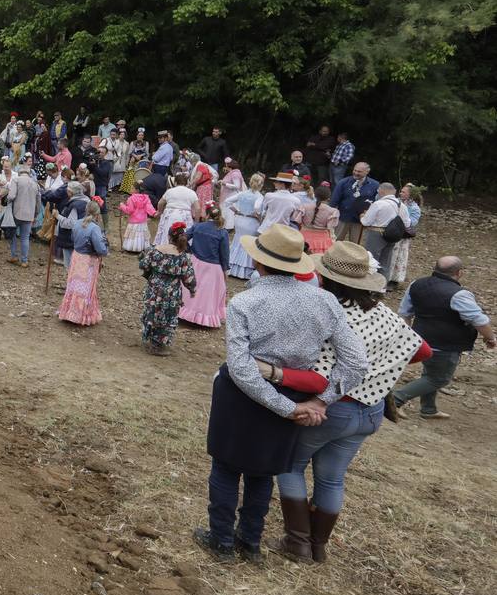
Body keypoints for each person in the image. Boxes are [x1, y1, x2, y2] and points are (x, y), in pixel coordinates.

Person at [192, 224, 368, 562]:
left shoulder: (245, 302)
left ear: (258, 263)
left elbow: (242, 368)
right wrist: (317, 401)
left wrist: (289, 408)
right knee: (264, 470)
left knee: (226, 468)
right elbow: (356, 362)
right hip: (292, 390)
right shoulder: (325, 302)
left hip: (243, 396)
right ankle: (250, 542)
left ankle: (221, 540)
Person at [264, 242, 428, 564]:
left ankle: (297, 542)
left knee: (289, 465)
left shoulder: (329, 315)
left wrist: (274, 373)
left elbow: (319, 379)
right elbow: (422, 352)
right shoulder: (383, 314)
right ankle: (319, 546)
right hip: (370, 411)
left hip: (331, 408)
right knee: (332, 477)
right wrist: (380, 368)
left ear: (325, 279)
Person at [392, 256, 495, 420]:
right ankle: (396, 398)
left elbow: (405, 313)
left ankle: (428, 409)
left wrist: (407, 336)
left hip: (421, 341)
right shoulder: (459, 295)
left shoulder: (416, 284)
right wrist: (490, 338)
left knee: (431, 373)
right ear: (459, 273)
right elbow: (479, 320)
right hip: (446, 345)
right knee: (438, 379)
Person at [138, 223, 198, 355]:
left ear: (169, 236)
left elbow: (143, 264)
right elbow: (188, 278)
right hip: (172, 291)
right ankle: (158, 345)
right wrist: (192, 290)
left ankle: (150, 338)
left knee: (152, 311)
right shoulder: (183, 256)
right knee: (167, 315)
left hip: (154, 288)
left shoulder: (156, 250)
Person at [57, 201, 108, 325]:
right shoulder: (95, 228)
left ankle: (69, 311)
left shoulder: (77, 223)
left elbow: (73, 239)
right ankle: (81, 315)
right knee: (85, 286)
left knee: (74, 284)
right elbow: (101, 249)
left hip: (76, 256)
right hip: (88, 259)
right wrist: (105, 249)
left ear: (86, 210)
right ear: (97, 214)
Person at [179, 206, 230, 327]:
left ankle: (185, 311)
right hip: (213, 266)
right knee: (208, 292)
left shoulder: (198, 226)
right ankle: (203, 318)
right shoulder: (222, 232)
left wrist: (189, 250)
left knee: (190, 287)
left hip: (195, 261)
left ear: (207, 215)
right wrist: (225, 270)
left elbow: (182, 238)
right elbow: (225, 254)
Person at [359, 182, 402, 274]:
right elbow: (407, 222)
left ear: (382, 191)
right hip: (392, 234)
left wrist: (362, 216)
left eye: (378, 191)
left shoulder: (379, 204)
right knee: (385, 262)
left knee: (371, 260)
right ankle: (382, 286)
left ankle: (369, 284)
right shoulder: (400, 204)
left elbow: (365, 222)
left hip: (376, 233)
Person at [227, 174, 265, 279]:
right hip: (251, 222)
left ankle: (231, 267)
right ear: (261, 184)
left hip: (240, 220)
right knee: (248, 243)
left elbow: (227, 201)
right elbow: (257, 208)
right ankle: (244, 270)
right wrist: (259, 216)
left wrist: (236, 211)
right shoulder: (259, 196)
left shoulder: (242, 193)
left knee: (237, 241)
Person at [329, 161, 378, 240]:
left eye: (359, 171)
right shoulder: (343, 182)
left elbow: (376, 203)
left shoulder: (375, 185)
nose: (355, 173)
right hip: (343, 217)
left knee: (354, 245)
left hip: (359, 220)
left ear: (367, 172)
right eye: (355, 170)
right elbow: (334, 201)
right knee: (336, 241)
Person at [386, 183, 422, 288]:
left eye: (403, 192)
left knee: (399, 256)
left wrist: (400, 220)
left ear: (410, 195)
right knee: (389, 254)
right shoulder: (396, 201)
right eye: (400, 191)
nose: (400, 193)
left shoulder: (414, 207)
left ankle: (394, 280)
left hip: (402, 235)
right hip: (391, 232)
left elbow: (413, 222)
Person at [4, 163, 38, 267]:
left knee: (12, 234)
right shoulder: (35, 183)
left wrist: (7, 199)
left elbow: (11, 196)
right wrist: (35, 213)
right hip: (29, 214)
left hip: (17, 213)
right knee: (25, 238)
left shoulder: (16, 180)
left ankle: (14, 255)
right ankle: (24, 260)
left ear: (19, 172)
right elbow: (38, 200)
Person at [154, 172, 198, 244]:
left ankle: (165, 249)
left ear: (175, 182)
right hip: (185, 216)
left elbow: (160, 203)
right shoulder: (192, 192)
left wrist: (159, 211)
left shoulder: (170, 191)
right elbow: (198, 208)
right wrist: (196, 222)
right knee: (183, 234)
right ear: (187, 182)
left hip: (170, 214)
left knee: (167, 232)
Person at [294, 184, 339, 254]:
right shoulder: (332, 211)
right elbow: (330, 227)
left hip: (304, 238)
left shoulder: (304, 207)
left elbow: (297, 221)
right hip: (322, 241)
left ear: (314, 195)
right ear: (328, 198)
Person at [119, 187, 156, 252]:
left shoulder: (131, 198)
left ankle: (131, 248)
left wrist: (122, 206)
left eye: (132, 188)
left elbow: (129, 210)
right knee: (141, 234)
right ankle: (142, 247)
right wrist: (154, 213)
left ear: (136, 190)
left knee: (133, 234)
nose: (130, 189)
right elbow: (149, 207)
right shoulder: (146, 198)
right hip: (142, 221)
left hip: (134, 221)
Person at [218, 159, 246, 232]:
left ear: (230, 166)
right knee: (226, 210)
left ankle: (228, 227)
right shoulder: (232, 172)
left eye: (226, 165)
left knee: (229, 211)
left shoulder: (235, 174)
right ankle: (226, 225)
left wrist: (225, 184)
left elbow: (237, 186)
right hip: (228, 194)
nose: (225, 166)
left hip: (231, 195)